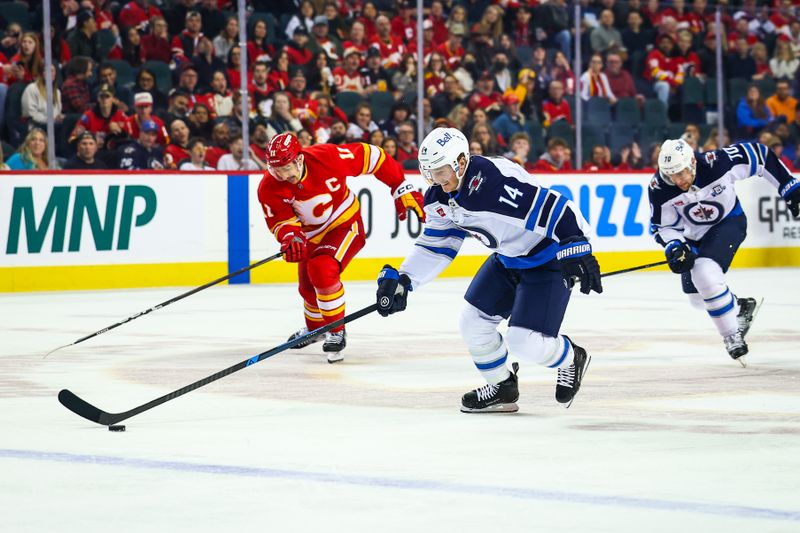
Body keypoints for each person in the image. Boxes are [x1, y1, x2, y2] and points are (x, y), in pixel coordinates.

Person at [375, 127, 602, 413]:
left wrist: (575, 243)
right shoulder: (439, 196)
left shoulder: (493, 184)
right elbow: (438, 244)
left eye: (441, 170)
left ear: (460, 162)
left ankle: (571, 358)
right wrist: (405, 280)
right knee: (472, 323)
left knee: (523, 342)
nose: (435, 180)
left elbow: (558, 208)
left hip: (545, 260)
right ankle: (502, 387)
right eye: (429, 172)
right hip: (507, 258)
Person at [258, 132, 425, 363]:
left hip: (345, 224)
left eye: (285, 168)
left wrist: (399, 186)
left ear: (299, 159)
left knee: (321, 268)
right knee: (307, 286)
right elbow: (280, 221)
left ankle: (336, 329)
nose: (282, 175)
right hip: (311, 236)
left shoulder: (327, 157)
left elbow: (373, 156)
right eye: (276, 169)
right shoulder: (269, 186)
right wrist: (290, 237)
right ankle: (315, 328)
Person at [649, 137, 800, 365]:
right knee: (697, 298)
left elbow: (759, 154)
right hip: (694, 236)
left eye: (681, 172)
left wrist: (787, 184)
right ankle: (739, 307)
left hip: (729, 222)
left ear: (692, 162)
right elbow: (663, 226)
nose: (677, 180)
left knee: (704, 272)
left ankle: (732, 336)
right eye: (671, 175)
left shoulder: (716, 163)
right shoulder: (660, 187)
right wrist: (674, 245)